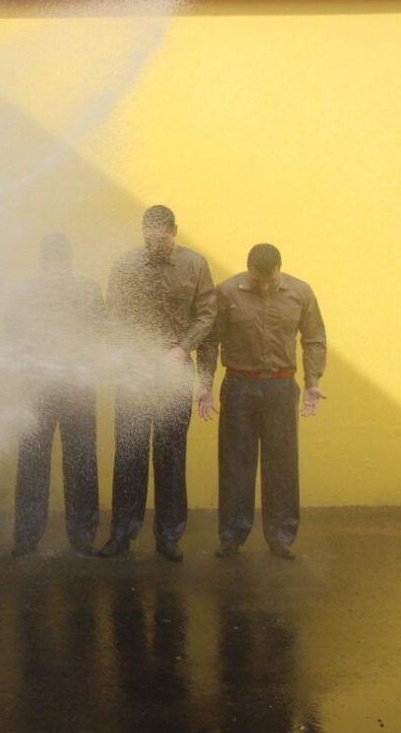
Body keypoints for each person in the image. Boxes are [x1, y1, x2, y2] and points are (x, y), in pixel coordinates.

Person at [196, 243, 326, 559]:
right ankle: (231, 536)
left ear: (279, 269)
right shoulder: (226, 292)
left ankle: (281, 537)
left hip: (281, 388)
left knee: (281, 465)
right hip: (239, 385)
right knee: (235, 464)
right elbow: (210, 342)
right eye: (258, 281)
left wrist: (312, 383)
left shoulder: (300, 292)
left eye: (270, 280)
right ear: (248, 270)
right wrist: (204, 385)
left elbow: (314, 339)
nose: (264, 286)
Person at [101, 206, 215, 562]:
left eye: (161, 240)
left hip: (175, 371)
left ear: (174, 231)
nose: (154, 247)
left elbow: (207, 314)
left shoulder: (195, 265)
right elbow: (113, 315)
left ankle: (169, 537)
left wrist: (184, 348)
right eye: (148, 240)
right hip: (135, 374)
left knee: (170, 457)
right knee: (129, 454)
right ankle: (122, 533)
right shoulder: (125, 265)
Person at [10, 233, 104, 557]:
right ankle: (82, 536)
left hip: (43, 388)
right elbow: (99, 335)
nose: (56, 268)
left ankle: (27, 537)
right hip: (70, 387)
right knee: (78, 462)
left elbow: (15, 336)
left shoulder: (25, 290)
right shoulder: (87, 288)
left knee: (36, 461)